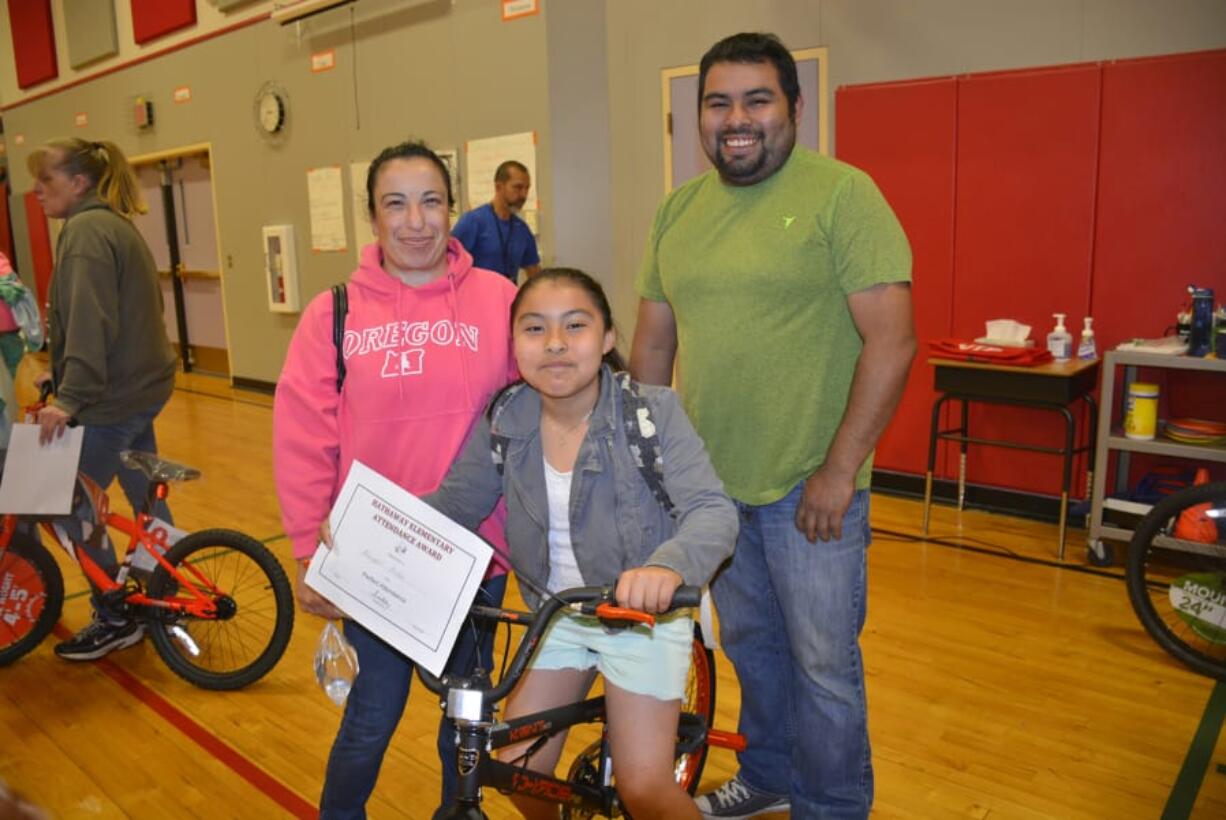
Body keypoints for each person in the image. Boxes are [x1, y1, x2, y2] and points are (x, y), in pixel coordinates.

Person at [631, 32, 916, 820]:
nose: (737, 119)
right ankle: (772, 778)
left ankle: (831, 806)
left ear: (793, 105)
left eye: (758, 99)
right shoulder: (678, 212)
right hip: (713, 492)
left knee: (823, 666)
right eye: (718, 103)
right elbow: (653, 346)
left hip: (809, 491)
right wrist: (655, 468)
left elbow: (893, 343)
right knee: (753, 651)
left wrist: (838, 471)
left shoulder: (843, 195)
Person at [424, 268, 737, 820]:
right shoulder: (506, 417)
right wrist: (368, 532)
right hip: (557, 614)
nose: (556, 344)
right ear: (515, 343)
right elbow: (452, 507)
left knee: (645, 788)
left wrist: (666, 568)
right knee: (515, 770)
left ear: (608, 337)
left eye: (575, 325)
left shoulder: (651, 412)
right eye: (535, 329)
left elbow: (712, 512)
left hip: (641, 615)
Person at [272, 140, 518, 819]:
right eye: (396, 204)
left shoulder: (499, 299)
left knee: (461, 724)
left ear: (452, 208)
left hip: (472, 558)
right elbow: (303, 434)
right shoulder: (336, 311)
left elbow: (536, 408)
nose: (416, 221)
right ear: (373, 219)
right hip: (376, 560)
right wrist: (305, 548)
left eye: (432, 201)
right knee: (371, 720)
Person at [29, 138, 178, 662]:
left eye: (46, 180)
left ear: (78, 183)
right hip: (141, 386)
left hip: (112, 398)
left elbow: (94, 320)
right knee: (145, 499)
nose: (37, 191)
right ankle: (161, 587)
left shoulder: (86, 232)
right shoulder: (112, 224)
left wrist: (70, 397)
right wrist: (63, 366)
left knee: (64, 501)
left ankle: (117, 615)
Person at [451, 160, 540, 283]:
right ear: (499, 187)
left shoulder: (522, 228)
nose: (523, 195)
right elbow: (449, 264)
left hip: (509, 297)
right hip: (477, 297)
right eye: (518, 187)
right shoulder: (473, 221)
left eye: (527, 188)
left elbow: (534, 271)